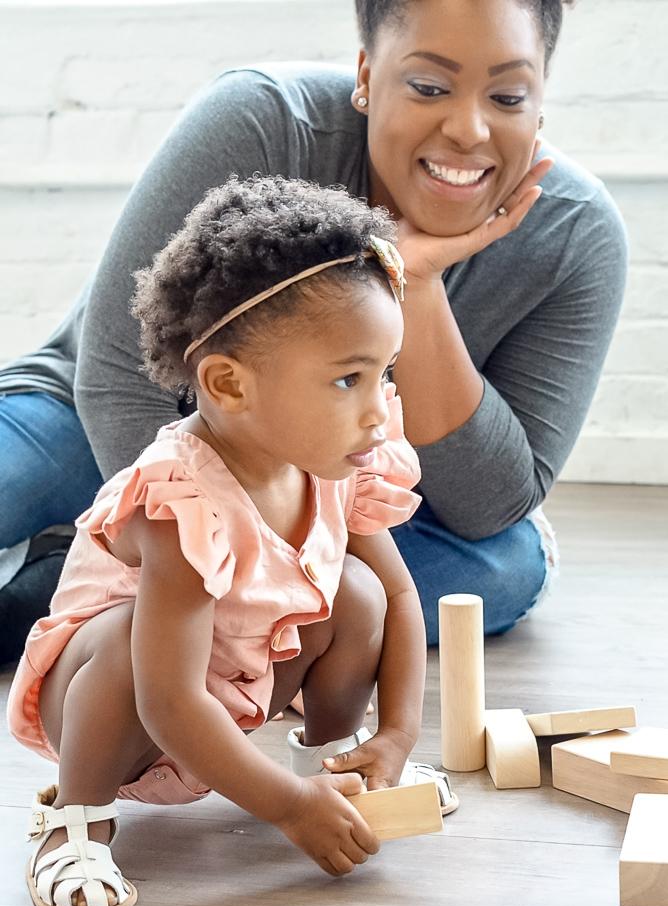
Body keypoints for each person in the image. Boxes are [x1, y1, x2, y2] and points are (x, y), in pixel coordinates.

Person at [0, 0, 628, 650]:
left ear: (540, 102)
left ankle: (63, 601)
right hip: (112, 430)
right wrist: (198, 543)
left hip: (329, 488)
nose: (468, 129)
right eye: (429, 87)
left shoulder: (576, 236)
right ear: (365, 75)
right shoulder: (265, 121)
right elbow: (113, 378)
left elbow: (489, 506)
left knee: (504, 569)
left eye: (507, 95)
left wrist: (418, 287)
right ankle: (179, 600)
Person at [9, 175, 460, 906]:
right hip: (122, 718)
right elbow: (168, 698)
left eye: (384, 375)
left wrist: (395, 736)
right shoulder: (179, 498)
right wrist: (287, 810)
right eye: (348, 379)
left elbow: (403, 599)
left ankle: (333, 759)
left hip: (231, 699)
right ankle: (74, 825)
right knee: (128, 640)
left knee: (357, 591)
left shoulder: (334, 459)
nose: (380, 411)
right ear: (229, 384)